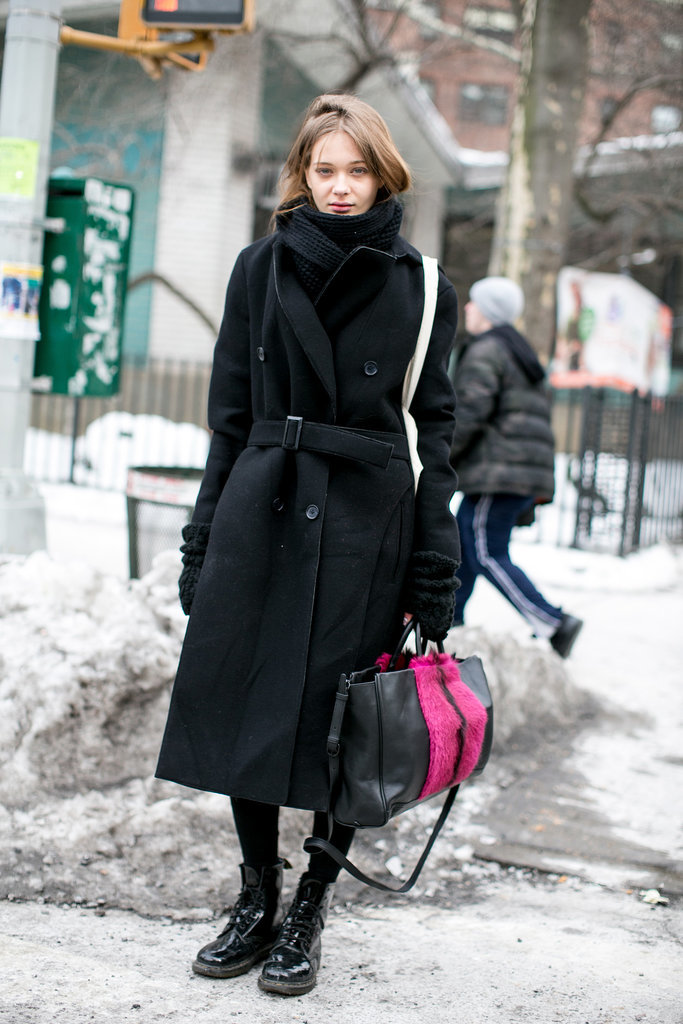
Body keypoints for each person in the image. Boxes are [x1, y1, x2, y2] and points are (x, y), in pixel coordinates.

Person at [155, 93, 461, 997]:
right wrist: (203, 533)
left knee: (343, 722)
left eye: (355, 170)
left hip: (368, 520)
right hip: (266, 505)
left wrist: (434, 571)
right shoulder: (259, 267)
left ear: (382, 173)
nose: (338, 187)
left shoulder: (423, 284)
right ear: (302, 172)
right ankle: (257, 891)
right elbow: (227, 418)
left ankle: (313, 901)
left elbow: (433, 438)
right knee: (246, 700)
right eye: (322, 169)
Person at [449, 276, 583, 658]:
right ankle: (449, 621)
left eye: (474, 303)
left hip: (501, 471)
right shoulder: (518, 350)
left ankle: (553, 621)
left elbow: (470, 411)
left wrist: (440, 458)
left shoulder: (487, 349)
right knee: (464, 544)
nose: (468, 309)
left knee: (486, 550)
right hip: (515, 468)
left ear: (489, 312)